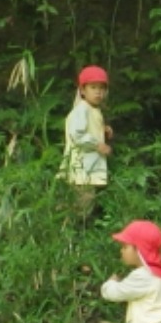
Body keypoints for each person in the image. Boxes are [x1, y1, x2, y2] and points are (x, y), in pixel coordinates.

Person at [63, 65, 112, 217]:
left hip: (89, 167)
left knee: (87, 202)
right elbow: (76, 135)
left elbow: (89, 127)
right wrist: (97, 145)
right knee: (83, 205)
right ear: (83, 90)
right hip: (82, 167)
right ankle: (76, 234)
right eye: (93, 87)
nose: (98, 92)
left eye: (102, 88)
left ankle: (77, 229)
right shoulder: (81, 110)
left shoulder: (92, 109)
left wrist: (103, 129)